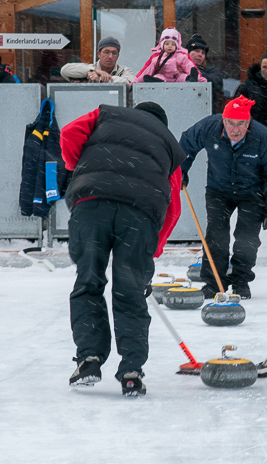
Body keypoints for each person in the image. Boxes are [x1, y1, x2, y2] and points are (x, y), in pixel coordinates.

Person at [60, 102, 186, 398]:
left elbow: (68, 133)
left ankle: (89, 359)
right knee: (130, 293)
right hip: (138, 216)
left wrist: (79, 168)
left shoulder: (107, 114)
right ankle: (131, 371)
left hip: (91, 204)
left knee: (88, 282)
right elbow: (173, 208)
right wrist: (151, 252)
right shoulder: (170, 146)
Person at [179, 96, 267, 299]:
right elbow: (186, 143)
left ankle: (241, 281)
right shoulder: (209, 127)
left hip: (252, 192)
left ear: (249, 123)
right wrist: (181, 170)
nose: (235, 130)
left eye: (241, 124)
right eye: (230, 123)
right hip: (218, 189)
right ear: (223, 120)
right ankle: (214, 284)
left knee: (247, 239)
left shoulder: (262, 137)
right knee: (216, 236)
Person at [234, 52, 267, 138]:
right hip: (253, 132)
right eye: (264, 67)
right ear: (260, 67)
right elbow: (237, 106)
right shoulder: (249, 84)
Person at [133, 27, 207, 83]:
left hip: (177, 77)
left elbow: (189, 66)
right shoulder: (157, 58)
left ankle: (191, 79)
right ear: (162, 44)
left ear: (177, 45)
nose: (170, 46)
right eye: (167, 44)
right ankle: (155, 81)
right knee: (157, 76)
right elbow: (147, 70)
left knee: (184, 77)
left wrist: (200, 80)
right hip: (163, 77)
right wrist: (136, 82)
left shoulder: (180, 56)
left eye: (173, 44)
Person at [60, 37, 134, 84]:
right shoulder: (90, 69)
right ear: (99, 54)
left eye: (114, 53)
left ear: (118, 56)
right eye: (106, 52)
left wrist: (100, 79)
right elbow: (64, 70)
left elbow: (128, 84)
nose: (110, 56)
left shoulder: (124, 71)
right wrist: (95, 70)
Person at [185, 34, 224, 114]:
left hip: (205, 112)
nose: (200, 55)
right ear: (187, 53)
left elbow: (217, 83)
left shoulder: (211, 71)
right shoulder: (178, 69)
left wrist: (195, 71)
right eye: (196, 51)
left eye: (203, 53)